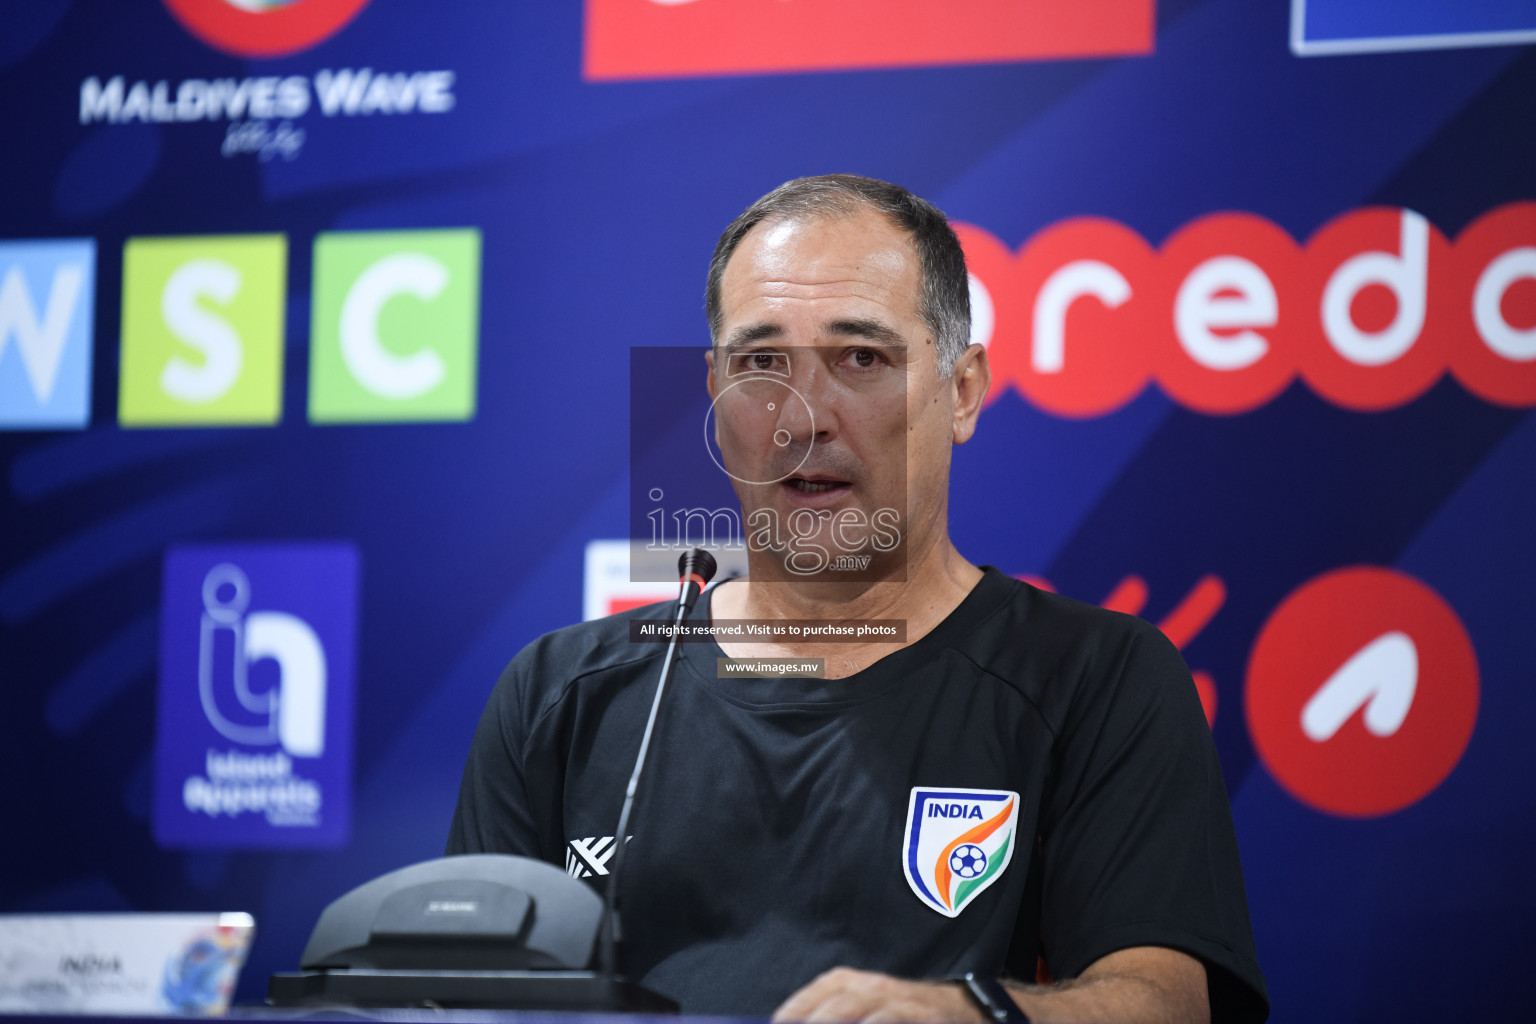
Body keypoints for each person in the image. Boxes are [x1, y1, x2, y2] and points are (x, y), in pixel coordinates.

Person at [448, 175, 1268, 1023]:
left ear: (962, 391)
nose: (803, 418)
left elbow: (1164, 1002)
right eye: (761, 363)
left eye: (862, 358)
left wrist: (970, 1015)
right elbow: (460, 1002)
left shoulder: (1098, 679)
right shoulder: (559, 694)